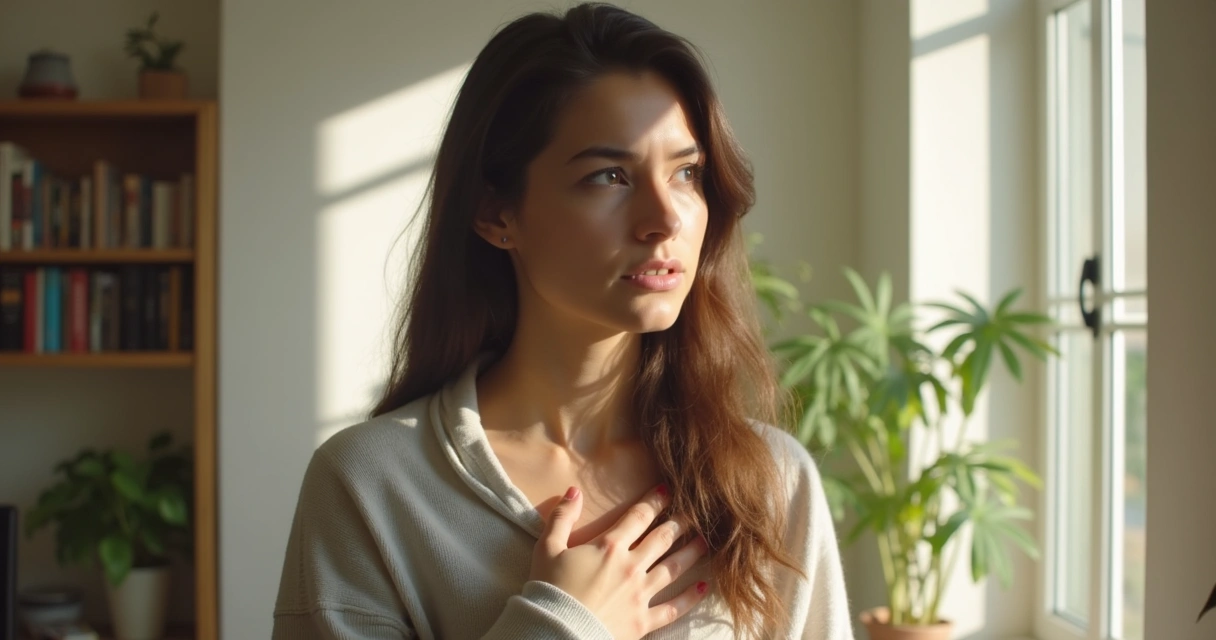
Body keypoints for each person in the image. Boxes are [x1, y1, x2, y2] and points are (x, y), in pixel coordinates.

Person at [271, 3, 853, 638]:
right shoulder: (370, 486)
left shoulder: (771, 481)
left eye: (687, 173)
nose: (665, 218)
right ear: (496, 213)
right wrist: (563, 624)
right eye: (609, 176)